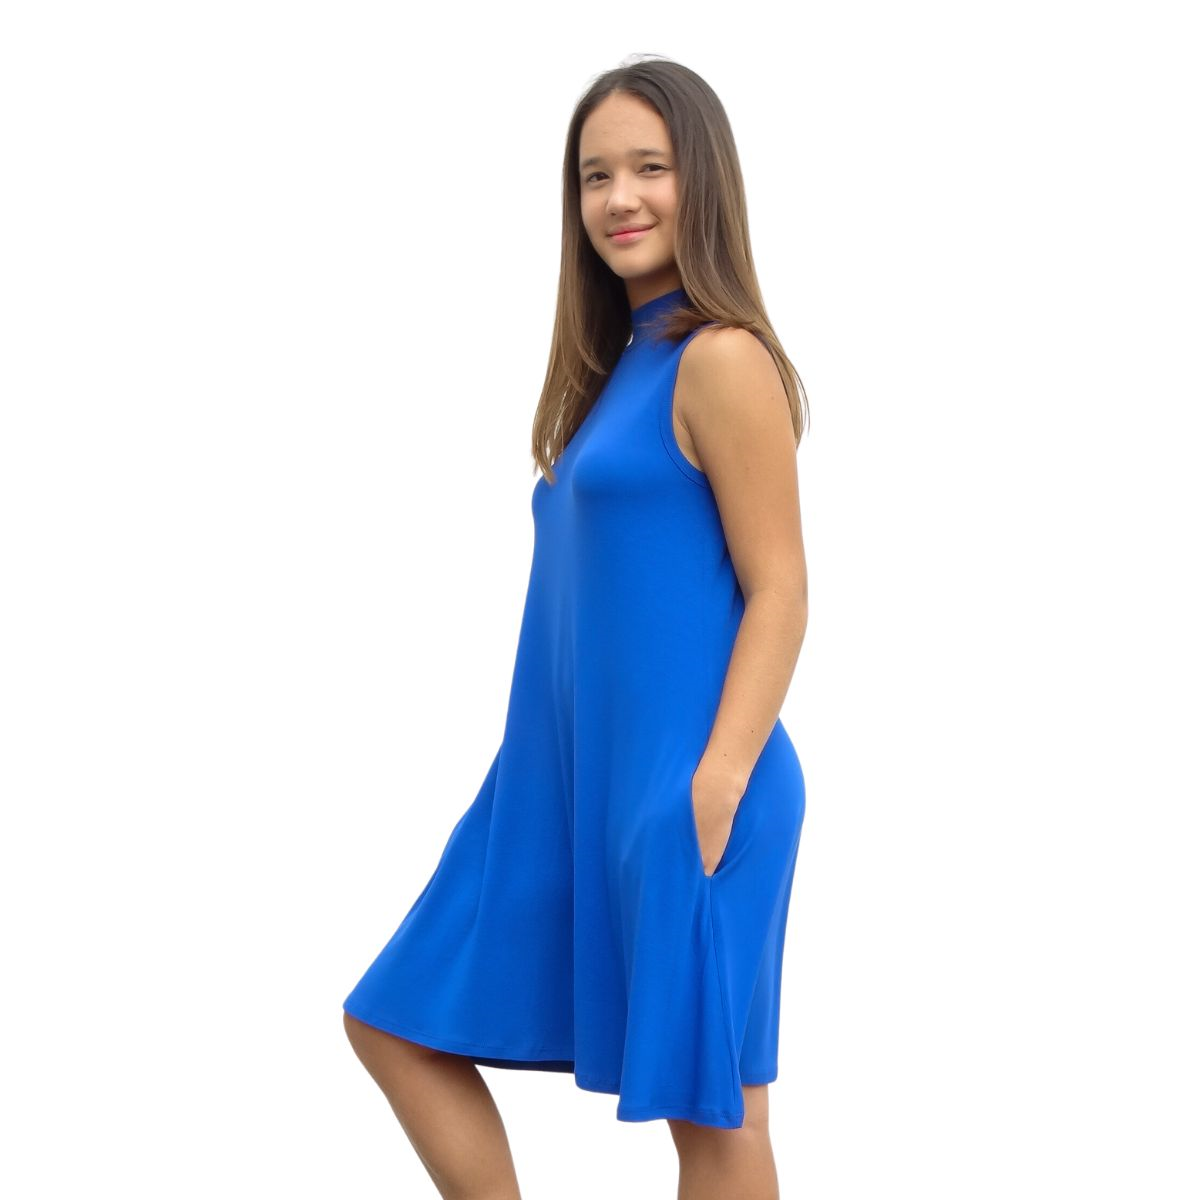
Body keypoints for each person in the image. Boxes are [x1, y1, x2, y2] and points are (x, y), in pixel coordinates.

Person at [343, 55, 810, 1200]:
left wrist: (714, 785)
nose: (620, 198)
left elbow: (782, 588)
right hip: (566, 794)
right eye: (596, 175)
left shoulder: (721, 360)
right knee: (393, 1022)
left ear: (704, 182)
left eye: (650, 167)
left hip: (693, 788)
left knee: (716, 1117)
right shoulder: (621, 371)